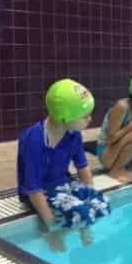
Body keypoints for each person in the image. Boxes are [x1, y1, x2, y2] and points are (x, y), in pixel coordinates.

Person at [17, 79, 111, 251]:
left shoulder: (73, 133)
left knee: (102, 204)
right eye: (85, 116)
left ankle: (83, 227)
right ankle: (54, 235)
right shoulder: (34, 140)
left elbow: (82, 166)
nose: (90, 119)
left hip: (63, 184)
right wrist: (51, 223)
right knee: (81, 212)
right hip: (41, 191)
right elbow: (33, 188)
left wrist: (89, 194)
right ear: (64, 116)